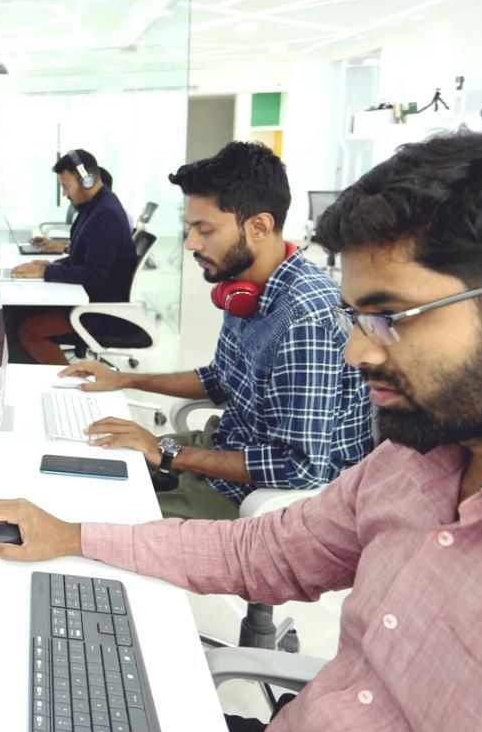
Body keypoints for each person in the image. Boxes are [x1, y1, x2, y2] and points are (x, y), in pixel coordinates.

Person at [0, 123, 482, 732]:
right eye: (358, 318)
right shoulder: (418, 463)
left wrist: (167, 455)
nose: (355, 351)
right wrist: (70, 534)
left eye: (390, 318)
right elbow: (257, 550)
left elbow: (297, 465)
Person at [64, 141, 371, 520]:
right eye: (191, 228)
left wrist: (168, 454)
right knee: (84, 464)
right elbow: (219, 379)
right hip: (225, 448)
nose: (192, 244)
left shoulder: (306, 319)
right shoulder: (244, 288)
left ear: (259, 226)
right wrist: (123, 379)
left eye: (204, 230)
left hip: (259, 494)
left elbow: (301, 468)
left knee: (93, 517)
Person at [11, 149, 139, 364]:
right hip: (91, 297)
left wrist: (46, 271)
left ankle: (68, 382)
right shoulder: (95, 206)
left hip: (98, 310)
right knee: (18, 312)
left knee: (27, 330)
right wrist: (55, 264)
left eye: (65, 186)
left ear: (87, 181)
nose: (65, 194)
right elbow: (84, 255)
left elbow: (93, 275)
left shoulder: (105, 214)